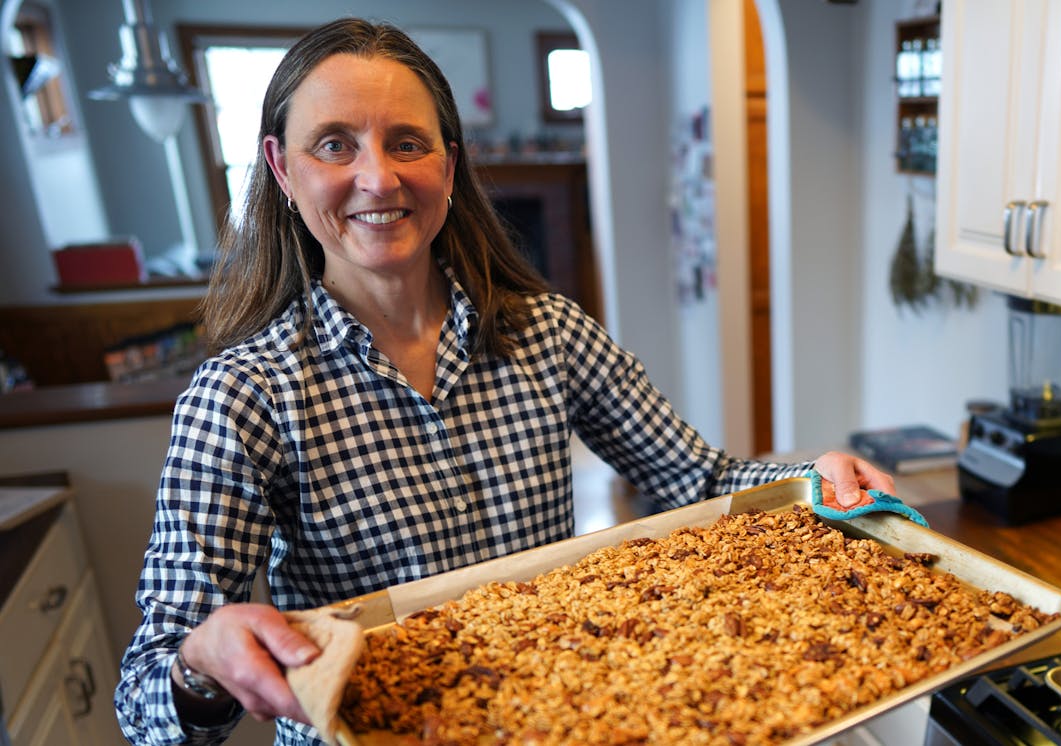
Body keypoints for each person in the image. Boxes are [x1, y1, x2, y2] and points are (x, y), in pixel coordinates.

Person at [114, 18, 893, 746]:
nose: (378, 178)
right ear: (283, 168)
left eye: (407, 143)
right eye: (335, 145)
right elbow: (146, 699)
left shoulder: (546, 333)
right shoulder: (243, 397)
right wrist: (200, 665)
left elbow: (703, 479)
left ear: (448, 165)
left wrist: (810, 478)